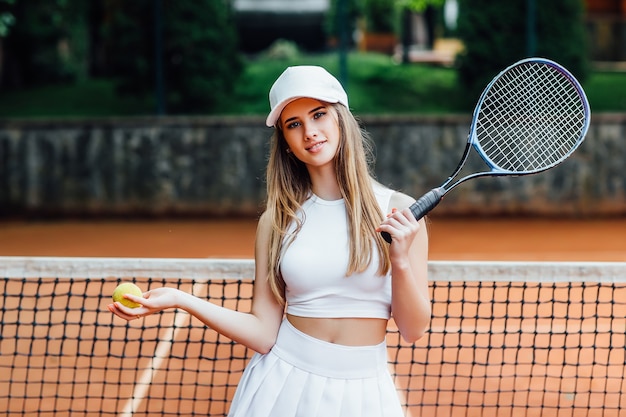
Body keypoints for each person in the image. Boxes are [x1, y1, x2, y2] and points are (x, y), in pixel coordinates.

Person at [108, 65, 431, 416]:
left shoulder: (400, 212)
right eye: (294, 124)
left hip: (366, 393)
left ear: (342, 119)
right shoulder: (276, 222)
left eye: (319, 115)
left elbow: (413, 329)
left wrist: (399, 260)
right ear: (286, 142)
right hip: (282, 386)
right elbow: (263, 332)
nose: (310, 132)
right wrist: (180, 299)